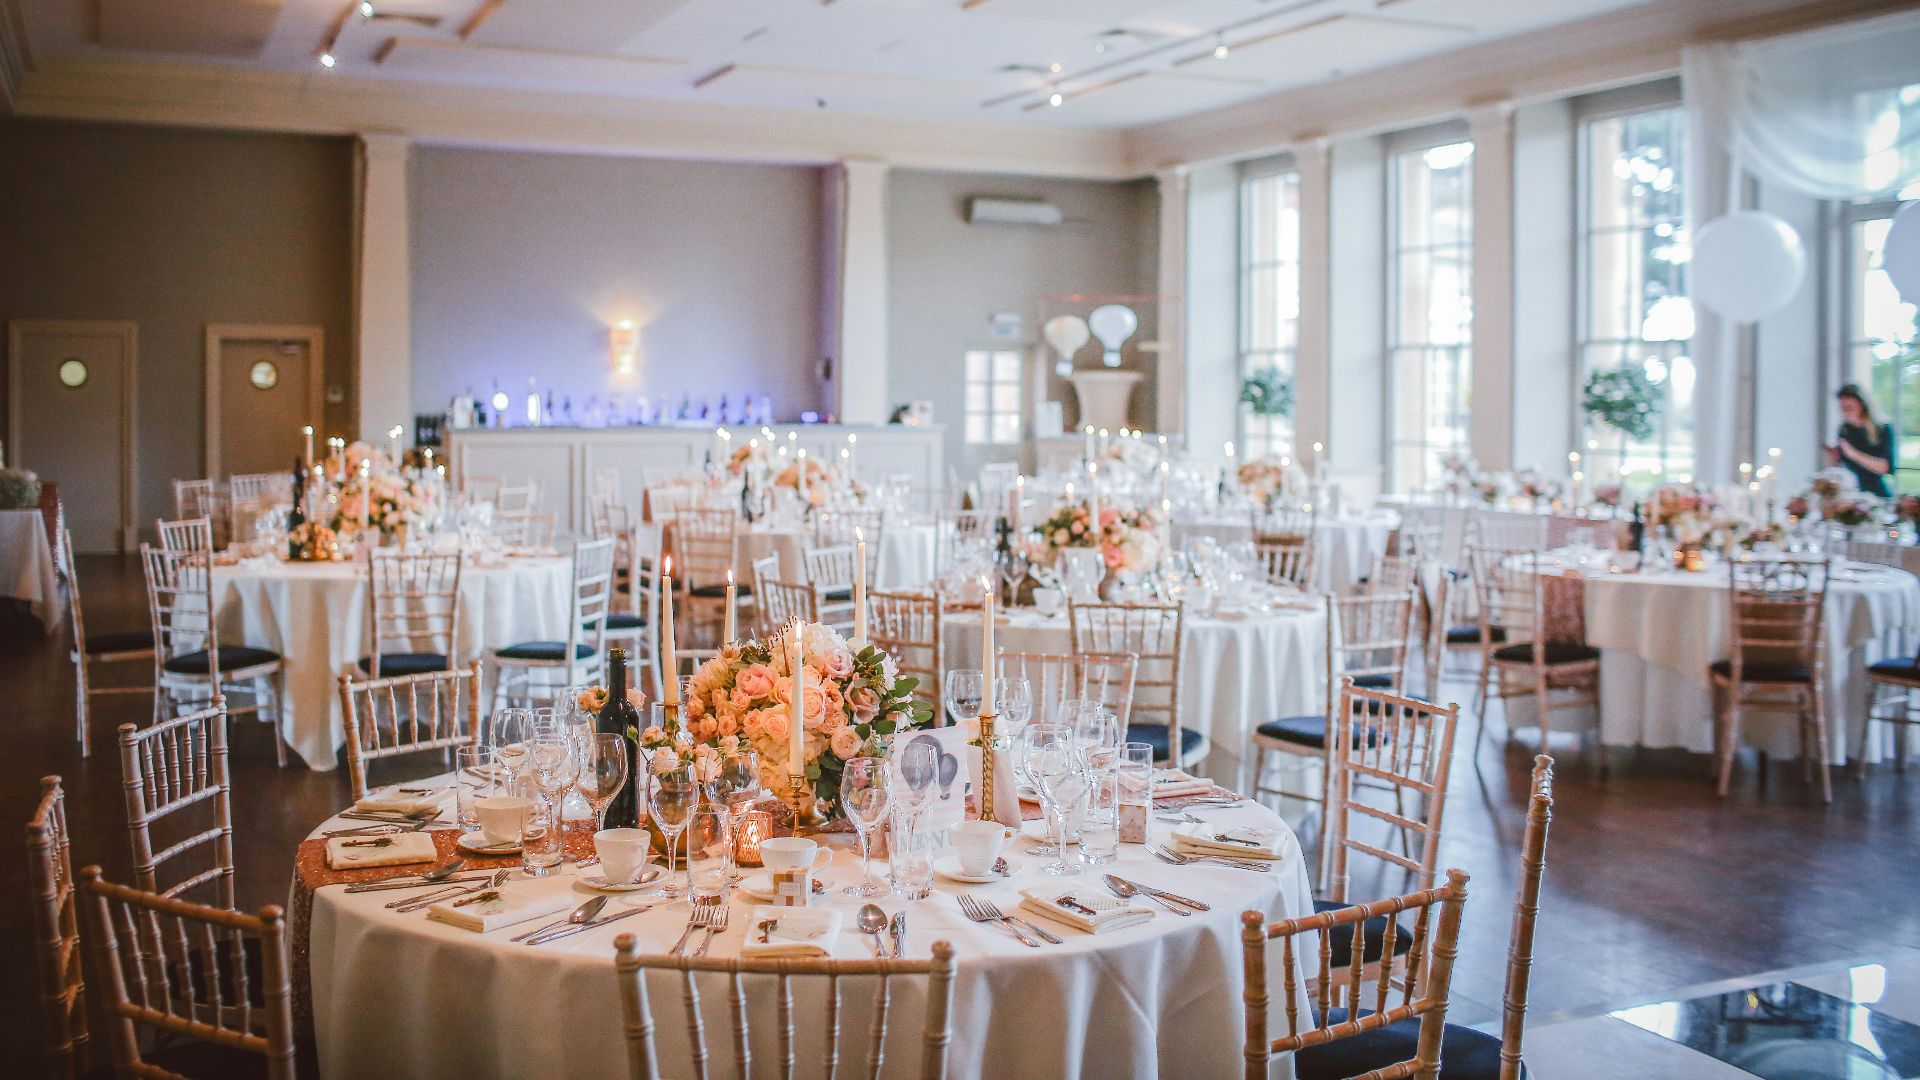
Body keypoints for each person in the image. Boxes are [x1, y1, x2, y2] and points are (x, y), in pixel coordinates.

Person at [1827, 383, 1895, 497]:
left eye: (1849, 408)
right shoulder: (1845, 429)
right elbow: (1843, 468)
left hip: (1876, 494)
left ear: (1863, 406)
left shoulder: (1883, 428)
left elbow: (1884, 467)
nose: (1845, 413)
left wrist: (1853, 454)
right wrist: (1834, 458)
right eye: (1842, 408)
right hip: (1850, 493)